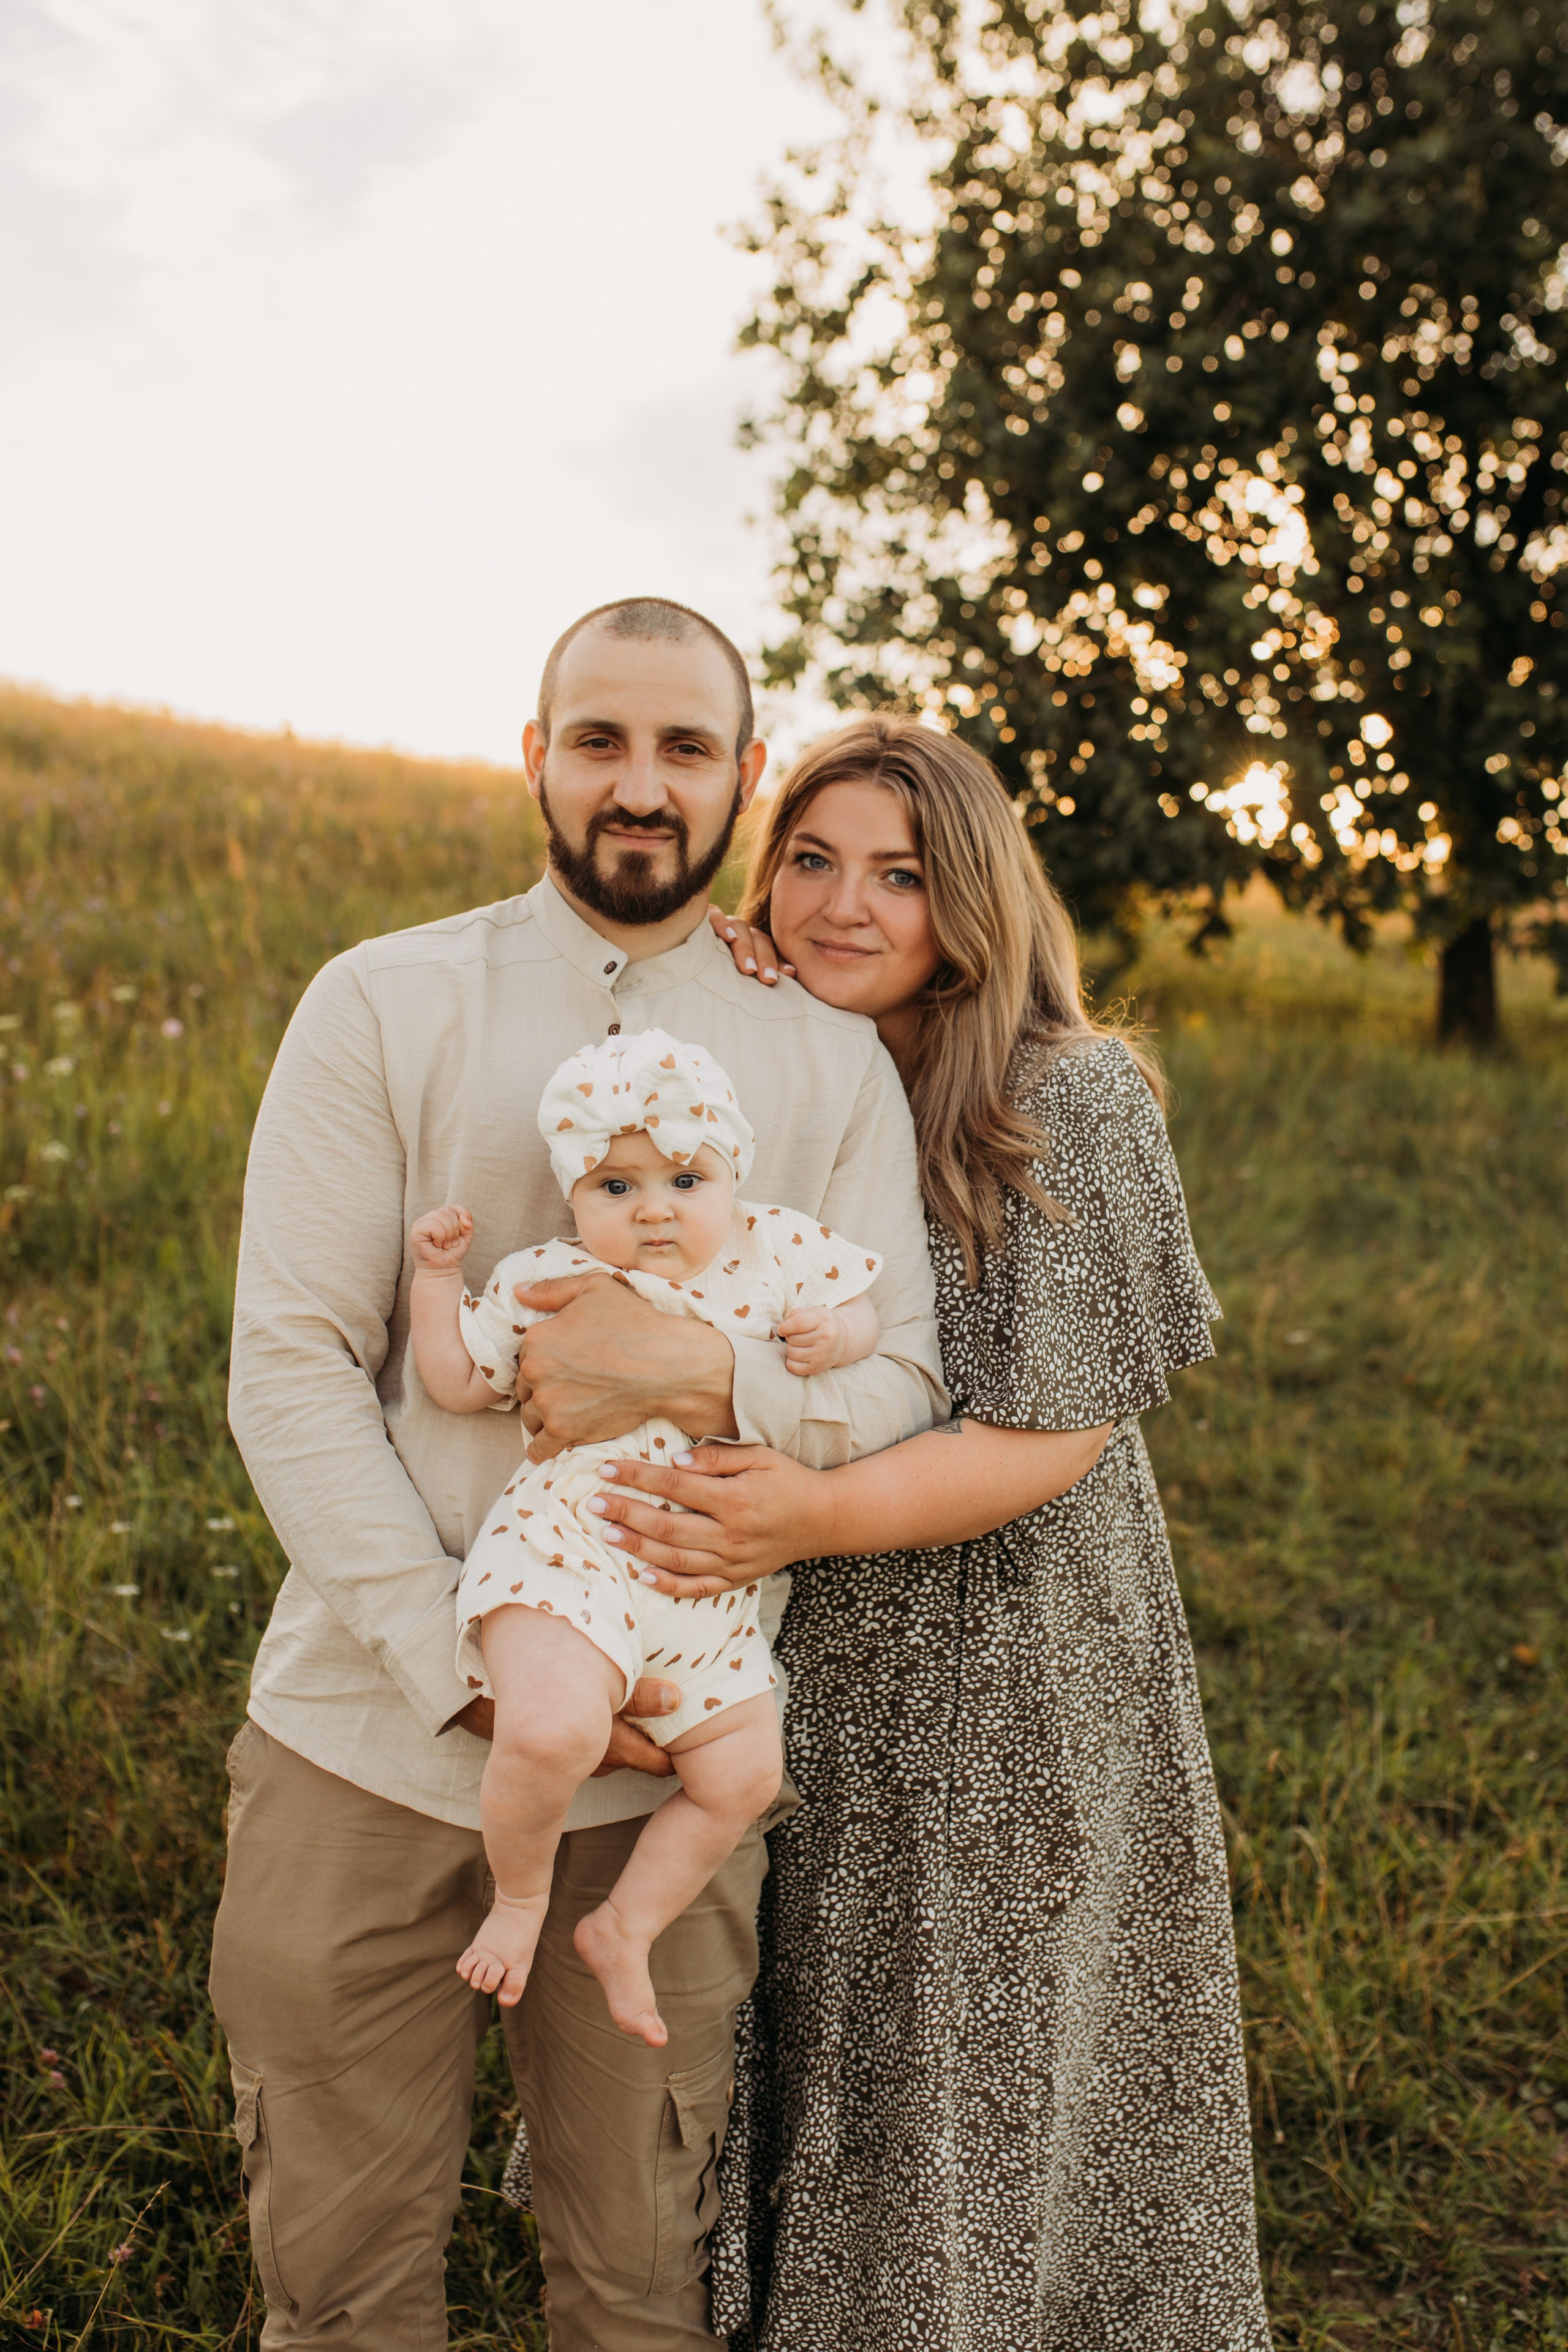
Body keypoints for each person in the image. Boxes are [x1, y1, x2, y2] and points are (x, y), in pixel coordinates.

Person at [209, 603, 944, 2352]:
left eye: (688, 748)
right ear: (534, 757)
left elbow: (905, 1379)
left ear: (744, 780)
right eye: (600, 740)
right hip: (360, 1742)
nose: (642, 785)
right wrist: (469, 1679)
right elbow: (291, 1364)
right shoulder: (383, 999)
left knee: (639, 2286)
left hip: (658, 1799)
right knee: (338, 2282)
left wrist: (708, 1373)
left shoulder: (825, 1058)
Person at [580, 717, 1272, 2350]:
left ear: (970, 896)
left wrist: (810, 1510)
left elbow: (1056, 1428)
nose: (845, 903)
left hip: (1008, 1664)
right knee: (814, 2024)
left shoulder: (1068, 1095)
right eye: (811, 860)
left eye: (900, 873)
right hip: (796, 1650)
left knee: (966, 2052)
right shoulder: (779, 1077)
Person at [405, 1028, 880, 2045]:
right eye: (614, 1188)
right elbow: (453, 1384)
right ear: (573, 1197)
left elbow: (863, 1317)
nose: (654, 1207)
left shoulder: (776, 1251)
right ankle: (523, 1900)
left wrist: (835, 1338)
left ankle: (628, 1924)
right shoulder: (548, 1278)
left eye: (684, 1177)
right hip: (567, 1555)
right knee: (552, 1730)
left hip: (706, 1601)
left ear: (732, 1174)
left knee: (744, 1776)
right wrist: (439, 1285)